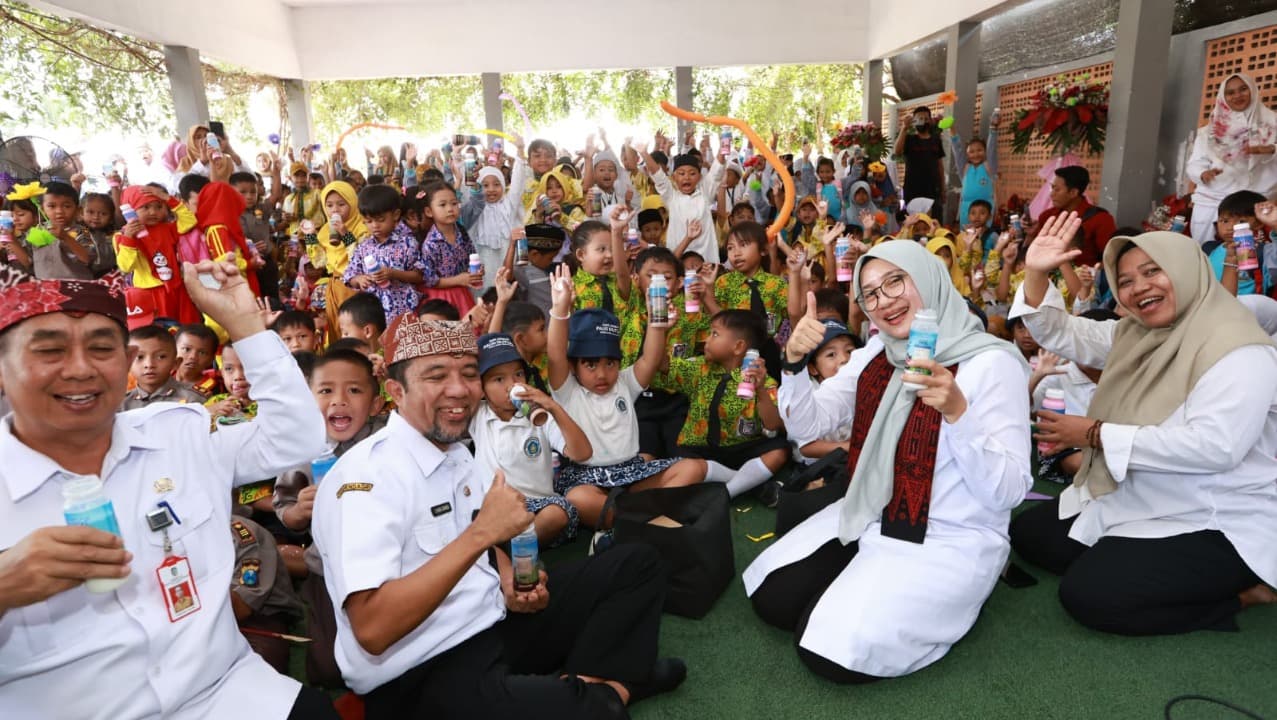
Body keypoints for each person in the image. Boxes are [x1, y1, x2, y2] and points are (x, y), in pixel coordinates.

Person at [0, 260, 334, 719]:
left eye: (102, 348)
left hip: (227, 696)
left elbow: (298, 437)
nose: (79, 369)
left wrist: (245, 327)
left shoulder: (177, 435)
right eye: (49, 351)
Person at [310, 313, 686, 719]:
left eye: (469, 373)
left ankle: (598, 687)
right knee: (595, 712)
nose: (458, 390)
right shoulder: (365, 478)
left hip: (489, 620)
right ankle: (610, 687)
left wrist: (508, 579)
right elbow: (372, 630)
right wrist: (482, 535)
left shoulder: (454, 454)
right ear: (395, 391)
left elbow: (478, 533)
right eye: (436, 376)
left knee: (639, 563)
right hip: (422, 667)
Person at [744, 239, 1031, 682]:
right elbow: (809, 426)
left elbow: (1009, 491)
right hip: (873, 513)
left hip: (946, 536)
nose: (885, 301)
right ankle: (859, 585)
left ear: (929, 278)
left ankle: (963, 595)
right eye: (871, 293)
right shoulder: (880, 354)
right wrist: (795, 363)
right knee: (773, 598)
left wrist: (957, 414)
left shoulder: (991, 364)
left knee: (829, 654)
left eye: (896, 281)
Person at [1008, 212, 1277, 635]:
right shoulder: (1138, 333)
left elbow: (1217, 448)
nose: (1138, 288)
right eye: (1127, 280)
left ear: (1187, 271)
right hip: (1143, 491)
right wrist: (1037, 273)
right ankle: (1126, 555)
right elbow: (1063, 333)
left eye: (1153, 271)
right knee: (1030, 536)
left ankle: (1243, 594)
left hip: (1217, 513)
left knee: (1090, 596)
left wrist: (1094, 434)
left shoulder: (1240, 349)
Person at [470, 332, 592, 545]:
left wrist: (552, 406)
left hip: (538, 508)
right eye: (499, 379)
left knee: (557, 514)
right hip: (494, 511)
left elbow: (582, 453)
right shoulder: (478, 415)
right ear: (481, 388)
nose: (511, 385)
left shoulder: (541, 417)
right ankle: (506, 549)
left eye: (518, 374)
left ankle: (510, 551)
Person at [1186, 73, 1277, 245]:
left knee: (1255, 261)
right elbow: (1195, 164)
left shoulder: (1273, 124)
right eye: (1230, 92)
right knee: (1209, 254)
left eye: (1243, 89)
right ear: (1223, 97)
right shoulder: (1209, 131)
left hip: (1256, 207)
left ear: (1253, 90)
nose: (1237, 96)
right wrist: (1203, 173)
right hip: (1213, 203)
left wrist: (1271, 149)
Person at [229, 514, 305, 675]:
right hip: (204, 620)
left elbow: (241, 607)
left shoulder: (241, 534)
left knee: (254, 673)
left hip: (259, 616)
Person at [343, 184, 425, 321]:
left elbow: (419, 275)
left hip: (403, 312)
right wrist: (359, 280)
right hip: (372, 314)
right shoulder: (364, 247)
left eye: (380, 220)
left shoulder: (407, 243)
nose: (374, 225)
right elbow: (349, 275)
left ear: (396, 215)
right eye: (368, 221)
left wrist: (394, 273)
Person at [636, 142, 724, 262]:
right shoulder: (671, 197)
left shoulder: (705, 195)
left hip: (706, 259)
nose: (687, 177)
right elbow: (658, 176)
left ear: (699, 177)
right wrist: (644, 153)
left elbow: (715, 172)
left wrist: (723, 147)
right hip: (679, 258)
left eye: (692, 173)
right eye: (681, 173)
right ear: (673, 177)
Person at [1029, 166, 1115, 267]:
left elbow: (1111, 259)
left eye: (1057, 190)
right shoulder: (1047, 216)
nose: (1051, 194)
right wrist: (1030, 235)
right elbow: (1036, 253)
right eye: (1052, 188)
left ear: (1073, 193)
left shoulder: (1101, 219)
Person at [122, 323, 207, 409]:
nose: (149, 364)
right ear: (127, 364)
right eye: (139, 357)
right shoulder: (120, 404)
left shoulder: (194, 400)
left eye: (161, 357)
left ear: (176, 363)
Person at [894, 106, 946, 222]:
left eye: (926, 118)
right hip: (912, 190)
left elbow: (940, 165)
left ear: (931, 120)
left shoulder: (936, 140)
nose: (923, 121)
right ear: (914, 121)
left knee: (934, 221)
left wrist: (943, 188)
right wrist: (904, 128)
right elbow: (897, 152)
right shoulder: (909, 139)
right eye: (920, 118)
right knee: (914, 222)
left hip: (933, 190)